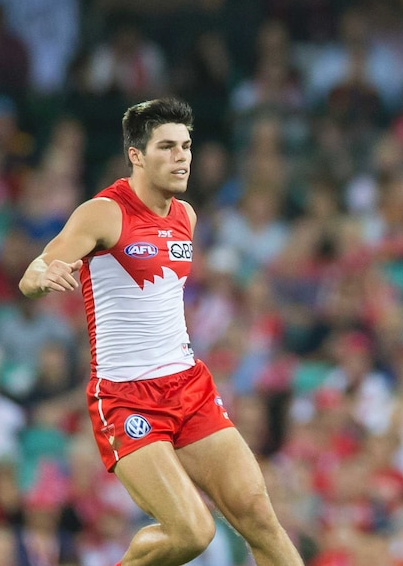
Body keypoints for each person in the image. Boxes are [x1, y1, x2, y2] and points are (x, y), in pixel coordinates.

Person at [19, 98, 304, 566]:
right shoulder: (104, 212)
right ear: (136, 155)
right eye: (168, 147)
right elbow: (36, 269)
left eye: (187, 146)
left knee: (259, 518)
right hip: (126, 396)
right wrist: (40, 279)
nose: (182, 157)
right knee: (192, 532)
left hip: (188, 385)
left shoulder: (186, 216)